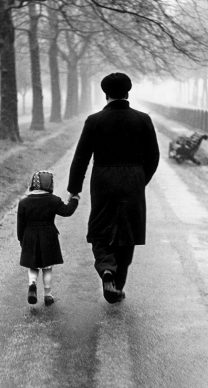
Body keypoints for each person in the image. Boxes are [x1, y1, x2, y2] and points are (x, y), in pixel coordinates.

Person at [67, 72, 160, 304]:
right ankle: (117, 285)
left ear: (105, 94)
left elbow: (81, 157)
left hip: (104, 180)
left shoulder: (94, 121)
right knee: (128, 234)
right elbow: (154, 156)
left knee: (100, 230)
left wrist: (74, 188)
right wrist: (140, 179)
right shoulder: (143, 119)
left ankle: (106, 268)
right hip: (133, 182)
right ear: (128, 92)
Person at [17, 170, 79, 306]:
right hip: (48, 238)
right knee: (47, 267)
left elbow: (20, 225)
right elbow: (67, 211)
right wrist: (74, 199)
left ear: (33, 184)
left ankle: (32, 284)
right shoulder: (54, 200)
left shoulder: (24, 203)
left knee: (33, 266)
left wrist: (21, 240)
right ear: (50, 185)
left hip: (30, 237)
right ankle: (48, 295)